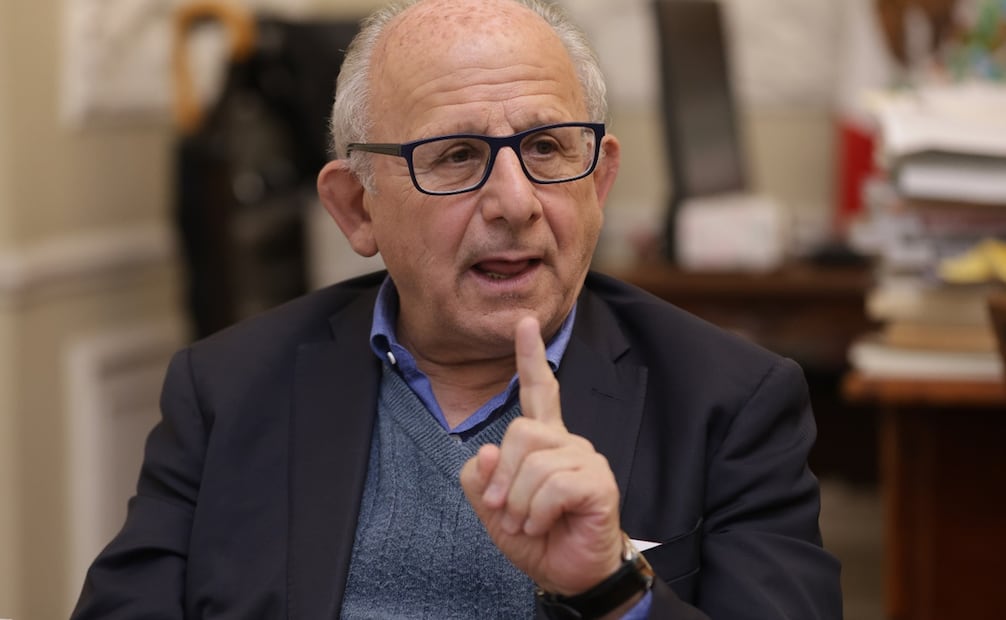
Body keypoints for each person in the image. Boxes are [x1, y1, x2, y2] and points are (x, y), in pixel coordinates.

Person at [71, 0, 843, 618]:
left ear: (599, 181)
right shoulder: (227, 389)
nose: (515, 202)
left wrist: (613, 589)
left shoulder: (729, 401)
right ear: (357, 208)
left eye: (547, 148)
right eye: (456, 156)